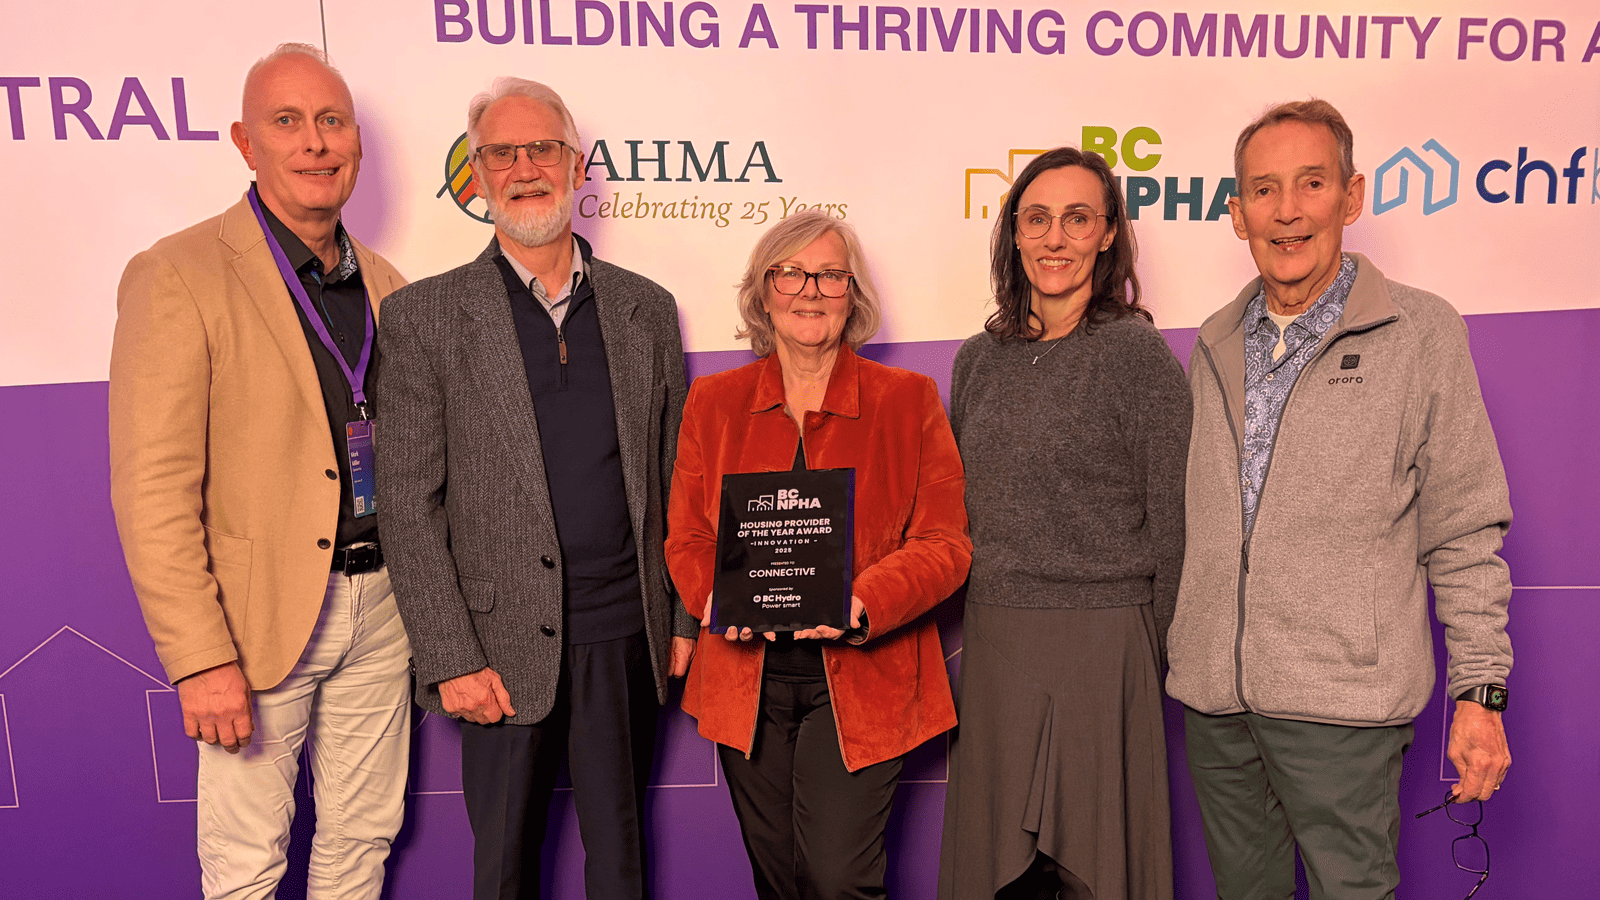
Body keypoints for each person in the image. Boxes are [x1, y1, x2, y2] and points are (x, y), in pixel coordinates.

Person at [1166, 98, 1514, 900]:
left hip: (1344, 710)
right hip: (1219, 708)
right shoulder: (1213, 341)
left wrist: (1480, 693)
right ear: (1236, 212)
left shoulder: (1421, 332)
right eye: (1263, 190)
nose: (1286, 212)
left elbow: (1464, 528)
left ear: (1351, 197)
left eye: (1310, 183)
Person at [373, 77, 695, 900]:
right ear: (474, 176)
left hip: (627, 637)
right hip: (496, 653)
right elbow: (408, 507)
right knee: (505, 872)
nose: (525, 167)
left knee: (621, 866)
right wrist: (451, 658)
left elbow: (677, 478)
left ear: (577, 165)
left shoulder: (646, 310)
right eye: (500, 153)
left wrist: (686, 617)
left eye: (543, 148)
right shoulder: (424, 317)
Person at [108, 43, 411, 899]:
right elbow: (152, 488)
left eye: (331, 121)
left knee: (361, 845)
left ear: (355, 141)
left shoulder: (388, 283)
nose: (314, 142)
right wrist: (199, 659)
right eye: (288, 122)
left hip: (384, 608)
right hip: (256, 622)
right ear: (246, 142)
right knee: (245, 866)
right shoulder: (179, 272)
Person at [665, 210, 971, 900]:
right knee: (779, 882)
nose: (811, 290)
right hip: (748, 680)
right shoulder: (713, 403)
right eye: (791, 273)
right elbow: (686, 538)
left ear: (853, 293)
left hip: (863, 681)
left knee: (837, 882)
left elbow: (944, 545)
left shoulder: (908, 401)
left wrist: (866, 601)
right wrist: (717, 598)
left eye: (831, 275)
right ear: (763, 290)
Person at [936, 147, 1191, 900]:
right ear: (1013, 235)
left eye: (1077, 219)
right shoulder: (975, 362)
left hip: (1105, 642)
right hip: (998, 640)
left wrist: (1170, 653)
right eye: (1037, 219)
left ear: (1108, 235)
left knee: (1099, 873)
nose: (1055, 238)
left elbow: (1175, 518)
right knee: (996, 875)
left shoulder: (1139, 357)